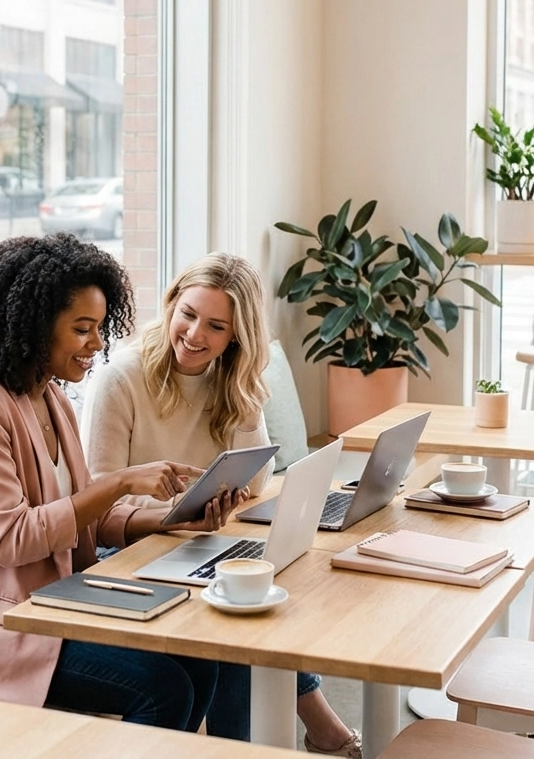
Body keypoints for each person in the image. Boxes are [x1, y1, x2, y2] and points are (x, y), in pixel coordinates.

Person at [0, 234, 249, 737]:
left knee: (200, 661)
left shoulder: (52, 399)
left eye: (100, 328)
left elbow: (89, 519)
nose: (98, 344)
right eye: (83, 329)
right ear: (35, 326)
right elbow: (12, 539)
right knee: (161, 686)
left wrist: (171, 518)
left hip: (51, 605)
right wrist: (124, 481)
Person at [85, 252, 362, 758]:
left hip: (195, 539)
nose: (194, 335)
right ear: (171, 304)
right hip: (125, 549)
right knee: (239, 610)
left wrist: (242, 386)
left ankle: (258, 743)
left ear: (237, 336)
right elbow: (100, 498)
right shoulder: (121, 377)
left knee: (256, 595)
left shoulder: (223, 378)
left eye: (216, 327)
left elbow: (255, 479)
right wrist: (173, 518)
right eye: (187, 314)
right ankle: (308, 732)